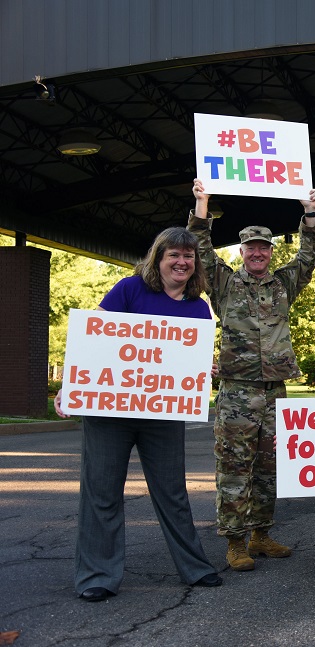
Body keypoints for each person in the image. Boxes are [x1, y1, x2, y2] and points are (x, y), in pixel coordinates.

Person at [55, 227, 223, 601]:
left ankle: (195, 567)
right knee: (101, 493)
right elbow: (93, 340)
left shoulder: (198, 308)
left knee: (172, 493)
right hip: (109, 413)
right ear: (158, 259)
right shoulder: (129, 289)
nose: (182, 262)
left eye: (188, 256)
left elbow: (186, 364)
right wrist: (70, 385)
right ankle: (97, 575)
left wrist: (202, 368)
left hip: (161, 414)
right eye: (173, 255)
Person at [189, 179, 315, 571]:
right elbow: (200, 248)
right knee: (234, 466)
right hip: (237, 391)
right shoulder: (225, 282)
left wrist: (309, 212)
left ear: (269, 251)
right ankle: (235, 541)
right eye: (251, 248)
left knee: (269, 466)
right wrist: (202, 204)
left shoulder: (283, 284)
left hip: (275, 390)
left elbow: (310, 254)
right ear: (242, 251)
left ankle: (261, 534)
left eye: (264, 248)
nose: (258, 253)